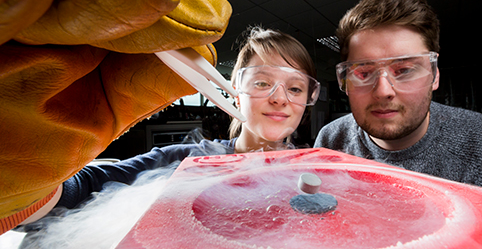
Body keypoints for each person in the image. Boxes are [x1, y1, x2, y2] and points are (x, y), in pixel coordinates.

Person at [19, 26, 320, 224]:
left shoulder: (318, 171)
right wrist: (29, 173)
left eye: (295, 88)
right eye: (262, 82)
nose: (279, 98)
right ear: (235, 94)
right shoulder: (185, 162)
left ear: (308, 98)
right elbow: (81, 189)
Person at [314, 0, 482, 201]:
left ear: (434, 75)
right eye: (363, 73)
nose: (383, 91)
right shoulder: (330, 141)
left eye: (404, 71)